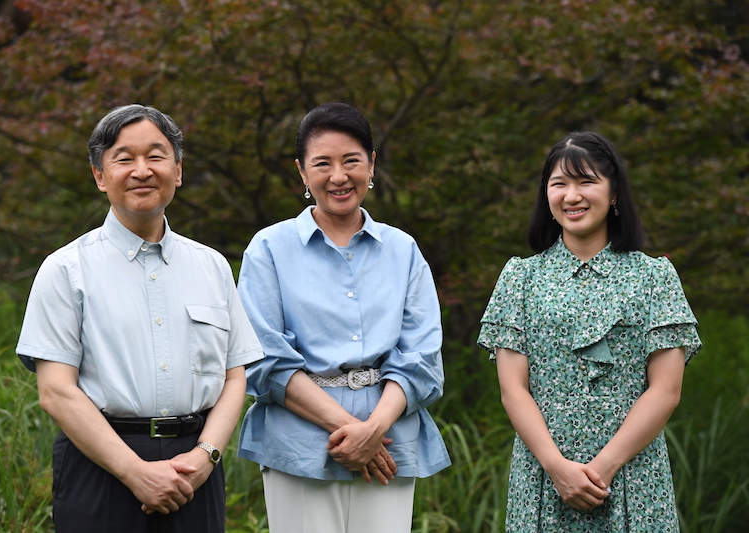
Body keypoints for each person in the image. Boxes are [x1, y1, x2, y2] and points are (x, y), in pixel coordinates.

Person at [16, 104, 264, 533]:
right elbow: (56, 392)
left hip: (195, 468)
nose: (142, 170)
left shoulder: (213, 266)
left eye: (156, 155)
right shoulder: (65, 269)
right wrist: (135, 471)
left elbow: (234, 375)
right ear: (99, 176)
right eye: (124, 158)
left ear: (178, 170)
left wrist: (206, 456)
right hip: (100, 466)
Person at [236, 102, 450, 533]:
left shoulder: (402, 249)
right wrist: (356, 433)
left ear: (371, 164)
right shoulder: (269, 248)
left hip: (390, 441)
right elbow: (262, 358)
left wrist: (375, 430)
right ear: (302, 172)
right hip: (299, 442)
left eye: (351, 160)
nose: (338, 176)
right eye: (322, 164)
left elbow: (422, 355)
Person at [477, 131, 702, 532]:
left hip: (635, 475)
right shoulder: (520, 277)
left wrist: (602, 468)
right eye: (559, 184)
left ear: (614, 193)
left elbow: (666, 390)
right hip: (543, 476)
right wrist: (557, 468)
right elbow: (513, 389)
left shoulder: (654, 276)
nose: (572, 195)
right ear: (546, 196)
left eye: (587, 181)